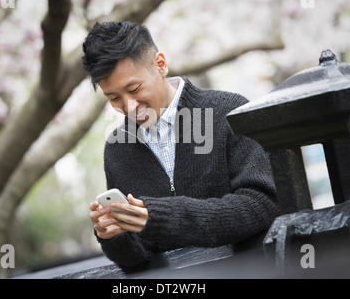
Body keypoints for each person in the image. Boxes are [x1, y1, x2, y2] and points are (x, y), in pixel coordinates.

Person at [82, 21, 279, 269]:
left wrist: (159, 217)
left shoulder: (228, 112)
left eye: (134, 89)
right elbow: (139, 259)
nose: (129, 106)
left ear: (160, 65)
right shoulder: (117, 149)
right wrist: (114, 237)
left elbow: (261, 204)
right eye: (114, 98)